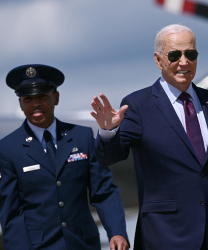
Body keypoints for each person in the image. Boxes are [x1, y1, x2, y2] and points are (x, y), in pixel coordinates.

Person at [91, 24, 208, 250]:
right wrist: (107, 132)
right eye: (174, 55)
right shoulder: (138, 105)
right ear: (158, 60)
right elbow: (109, 158)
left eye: (190, 54)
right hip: (163, 237)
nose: (184, 62)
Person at [0, 64, 129, 250]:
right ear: (20, 103)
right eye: (28, 98)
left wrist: (117, 231)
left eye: (43, 96)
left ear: (56, 98)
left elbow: (104, 191)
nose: (35, 103)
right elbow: (11, 214)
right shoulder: (8, 149)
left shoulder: (82, 137)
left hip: (83, 244)